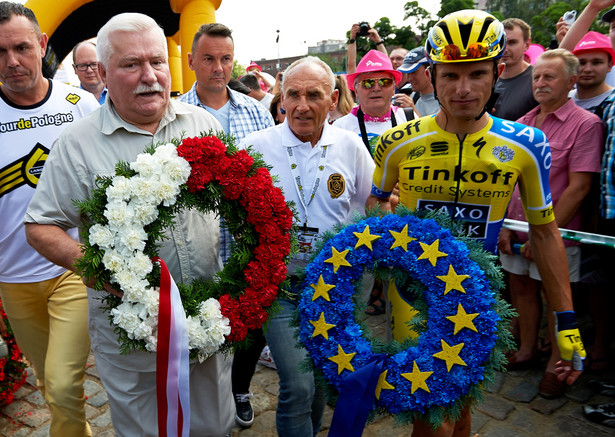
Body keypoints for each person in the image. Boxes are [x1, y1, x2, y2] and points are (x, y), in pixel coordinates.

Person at [367, 10, 586, 436]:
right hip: (413, 294)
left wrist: (567, 321)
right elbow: (376, 204)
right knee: (428, 415)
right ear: (432, 74)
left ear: (498, 72)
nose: (463, 89)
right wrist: (385, 232)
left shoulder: (526, 143)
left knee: (462, 407)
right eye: (450, 76)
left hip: (476, 296)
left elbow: (545, 231)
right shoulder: (397, 142)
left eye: (477, 74)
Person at [24, 13, 235, 436]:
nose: (149, 76)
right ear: (102, 72)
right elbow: (40, 226)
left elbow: (235, 206)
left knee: (213, 426)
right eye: (131, 64)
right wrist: (104, 270)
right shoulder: (76, 144)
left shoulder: (204, 125)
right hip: (132, 333)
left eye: (157, 62)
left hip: (207, 320)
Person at [238, 56, 375, 437]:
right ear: (281, 98)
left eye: (313, 95)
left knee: (319, 377)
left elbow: (370, 206)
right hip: (280, 285)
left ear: (332, 100)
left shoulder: (350, 146)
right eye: (293, 94)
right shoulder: (254, 147)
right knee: (298, 384)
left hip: (335, 288)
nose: (301, 105)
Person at [0, 3, 99, 436]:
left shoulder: (80, 105)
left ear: (42, 45)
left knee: (62, 383)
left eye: (22, 47)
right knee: (50, 384)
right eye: (0, 51)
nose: (12, 61)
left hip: (70, 269)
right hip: (12, 279)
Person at [178, 21, 274, 429]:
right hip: (196, 243)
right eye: (209, 59)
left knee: (252, 318)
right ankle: (196, 396)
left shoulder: (255, 110)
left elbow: (268, 176)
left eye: (225, 59)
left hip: (245, 242)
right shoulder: (176, 114)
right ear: (191, 61)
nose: (218, 68)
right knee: (200, 320)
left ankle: (239, 386)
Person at [498, 49, 603, 398]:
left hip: (557, 234)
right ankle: (527, 349)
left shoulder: (587, 125)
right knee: (521, 289)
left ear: (571, 81)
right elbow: (507, 179)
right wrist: (506, 225)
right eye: (537, 77)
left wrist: (545, 232)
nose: (540, 83)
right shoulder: (521, 125)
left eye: (549, 77)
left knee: (559, 299)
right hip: (514, 227)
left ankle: (556, 365)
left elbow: (579, 187)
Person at [492, 18, 538, 120]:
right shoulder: (486, 77)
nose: (505, 49)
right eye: (501, 43)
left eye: (512, 42)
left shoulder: (537, 79)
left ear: (526, 44)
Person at [570, 31, 615, 113]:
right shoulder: (562, 100)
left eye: (596, 62)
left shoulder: (613, 102)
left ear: (609, 65)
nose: (588, 69)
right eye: (581, 63)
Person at [394, 47, 440, 117]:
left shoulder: (445, 99)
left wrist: (413, 112)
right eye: (407, 73)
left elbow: (442, 127)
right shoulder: (413, 95)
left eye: (413, 72)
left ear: (429, 70)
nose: (409, 78)